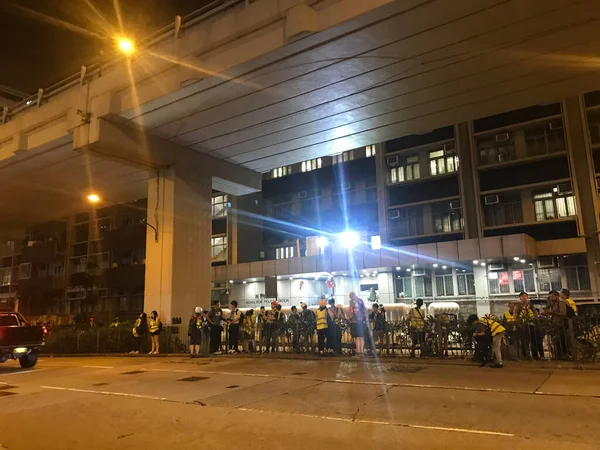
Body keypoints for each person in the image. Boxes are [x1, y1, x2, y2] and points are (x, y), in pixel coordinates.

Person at [544, 290, 569, 360]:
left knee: (561, 341)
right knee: (557, 342)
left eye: (552, 296)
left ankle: (564, 355)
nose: (551, 298)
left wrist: (553, 313)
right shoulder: (553, 304)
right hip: (556, 324)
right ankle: (559, 356)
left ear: (557, 296)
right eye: (550, 297)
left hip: (561, 325)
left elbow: (564, 313)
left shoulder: (561, 303)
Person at [514, 292, 539, 360]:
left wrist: (535, 320)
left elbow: (535, 313)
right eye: (522, 296)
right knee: (524, 341)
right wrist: (517, 324)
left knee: (533, 340)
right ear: (520, 298)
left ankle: (535, 355)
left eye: (525, 296)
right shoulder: (518, 306)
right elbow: (515, 315)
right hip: (522, 325)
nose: (524, 298)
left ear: (527, 297)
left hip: (531, 325)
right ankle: (525, 355)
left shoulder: (530, 305)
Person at [348, 292, 367, 357]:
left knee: (357, 337)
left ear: (352, 296)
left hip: (355, 321)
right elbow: (364, 310)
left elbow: (351, 311)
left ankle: (358, 352)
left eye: (350, 296)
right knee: (360, 337)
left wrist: (350, 317)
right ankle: (361, 352)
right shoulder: (361, 300)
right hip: (361, 321)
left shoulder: (352, 302)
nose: (350, 298)